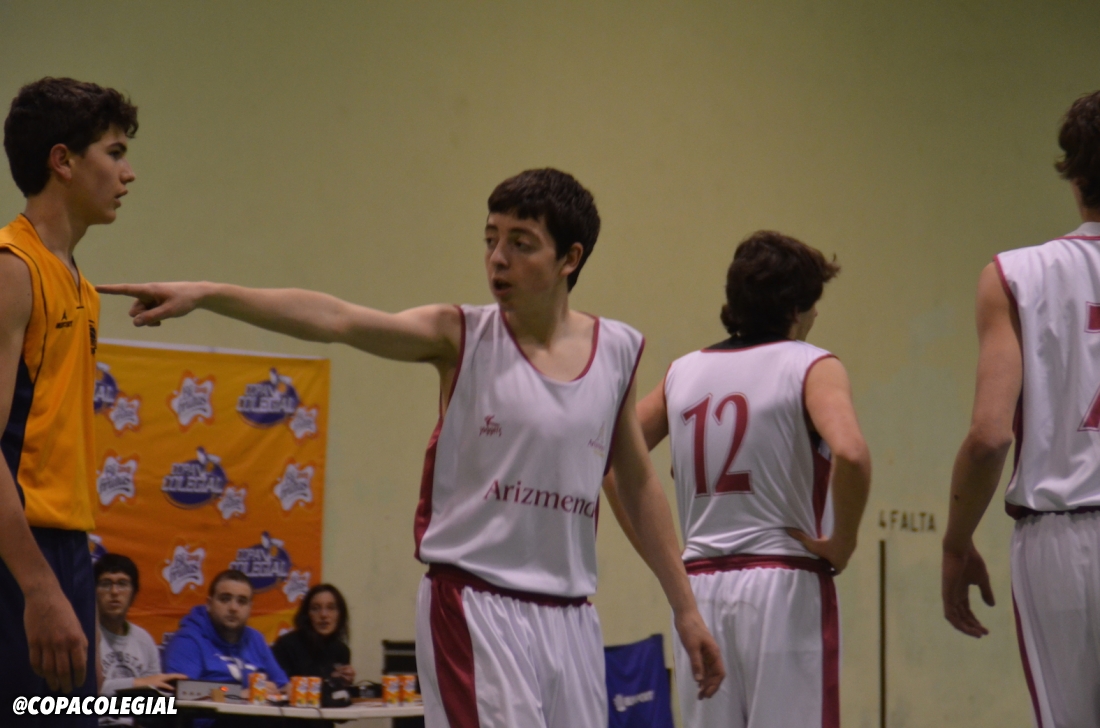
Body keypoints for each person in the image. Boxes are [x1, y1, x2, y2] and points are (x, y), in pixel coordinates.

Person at [99, 168, 724, 727]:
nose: (497, 258)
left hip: (572, 615)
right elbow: (336, 318)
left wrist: (686, 609)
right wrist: (210, 293)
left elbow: (637, 482)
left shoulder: (617, 351)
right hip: (475, 606)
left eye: (521, 243)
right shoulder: (461, 334)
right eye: (490, 239)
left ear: (570, 258)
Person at [604, 231, 872, 727]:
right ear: (796, 307)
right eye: (814, 303)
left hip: (698, 592)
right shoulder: (812, 364)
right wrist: (843, 543)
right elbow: (852, 454)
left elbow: (608, 461)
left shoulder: (682, 373)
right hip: (783, 583)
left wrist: (667, 565)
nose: (817, 315)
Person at [942, 89, 1100, 727]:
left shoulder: (1015, 275)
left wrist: (956, 543)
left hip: (1064, 537)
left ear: (1073, 174)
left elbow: (989, 437)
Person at [0, 77, 137, 724]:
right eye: (115, 152)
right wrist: (39, 589)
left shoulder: (80, 285)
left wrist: (71, 593)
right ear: (63, 160)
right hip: (17, 553)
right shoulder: (12, 269)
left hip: (66, 553)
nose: (128, 173)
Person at [94, 554, 186, 726]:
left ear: (134, 594)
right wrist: (138, 683)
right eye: (106, 584)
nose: (114, 592)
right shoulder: (84, 635)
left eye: (122, 584)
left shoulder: (143, 640)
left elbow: (154, 695)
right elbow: (85, 691)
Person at [162, 570, 288, 689]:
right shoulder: (188, 640)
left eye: (242, 601)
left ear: (250, 608)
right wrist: (239, 695)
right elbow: (183, 691)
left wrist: (287, 690)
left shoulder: (255, 639)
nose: (233, 608)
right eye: (225, 599)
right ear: (209, 604)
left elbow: (282, 685)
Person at [272, 584, 356, 684]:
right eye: (315, 608)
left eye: (331, 608)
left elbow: (338, 691)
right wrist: (329, 680)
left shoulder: (341, 650)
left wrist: (345, 680)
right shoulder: (286, 646)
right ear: (307, 614)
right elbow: (282, 687)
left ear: (340, 614)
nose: (323, 615)